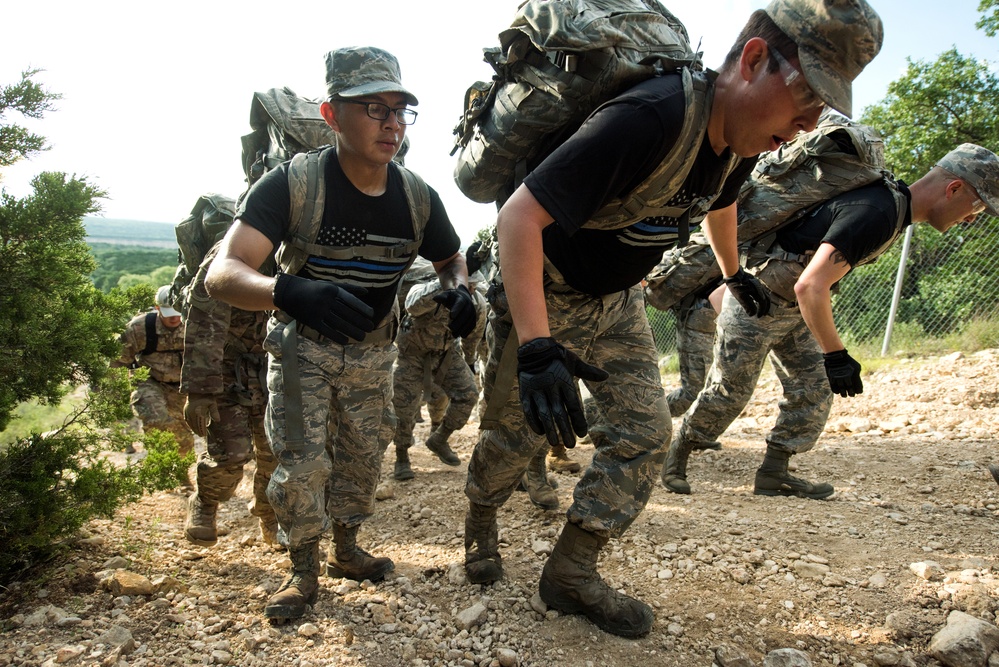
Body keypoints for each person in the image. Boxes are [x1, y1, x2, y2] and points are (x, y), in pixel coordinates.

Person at [463, 0, 883, 639]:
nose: (806, 124)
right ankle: (481, 515)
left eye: (820, 110)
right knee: (516, 437)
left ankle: (570, 573)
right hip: (550, 292)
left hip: (621, 299)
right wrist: (538, 346)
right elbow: (519, 216)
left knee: (646, 432)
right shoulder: (651, 117)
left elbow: (722, 202)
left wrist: (733, 271)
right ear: (751, 60)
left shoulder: (740, 139)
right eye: (804, 97)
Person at [205, 46, 474, 622]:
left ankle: (347, 551)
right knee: (302, 464)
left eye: (401, 110)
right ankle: (302, 572)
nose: (393, 124)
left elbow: (452, 257)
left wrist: (460, 291)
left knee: (360, 458)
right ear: (332, 115)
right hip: (304, 350)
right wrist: (291, 291)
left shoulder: (416, 196)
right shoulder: (293, 185)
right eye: (374, 108)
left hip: (376, 354)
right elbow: (223, 274)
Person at [663, 142, 999, 500]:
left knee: (814, 386)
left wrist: (829, 359)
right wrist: (836, 354)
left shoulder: (890, 208)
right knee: (729, 393)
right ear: (954, 188)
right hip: (758, 305)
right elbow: (811, 286)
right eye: (978, 204)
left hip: (791, 308)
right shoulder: (879, 212)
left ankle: (775, 472)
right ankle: (677, 455)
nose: (973, 216)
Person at [182, 245, 280, 547]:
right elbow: (205, 322)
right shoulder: (231, 252)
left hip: (274, 366)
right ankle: (205, 504)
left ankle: (271, 516)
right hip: (225, 368)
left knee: (276, 453)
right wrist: (199, 390)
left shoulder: (298, 246)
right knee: (230, 454)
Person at [390, 273, 480, 480]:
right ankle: (401, 456)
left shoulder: (476, 303)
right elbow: (413, 305)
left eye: (473, 287)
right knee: (404, 409)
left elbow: (472, 334)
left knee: (468, 394)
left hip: (445, 354)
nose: (472, 291)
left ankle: (439, 438)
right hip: (410, 356)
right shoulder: (423, 290)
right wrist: (445, 287)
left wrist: (469, 361)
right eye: (468, 287)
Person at [111, 285, 195, 459]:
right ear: (157, 309)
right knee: (156, 419)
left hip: (180, 386)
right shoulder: (139, 328)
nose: (174, 317)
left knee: (182, 433)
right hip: (149, 381)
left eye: (177, 312)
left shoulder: (193, 325)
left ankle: (179, 470)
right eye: (168, 312)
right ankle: (161, 464)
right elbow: (118, 361)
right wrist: (113, 394)